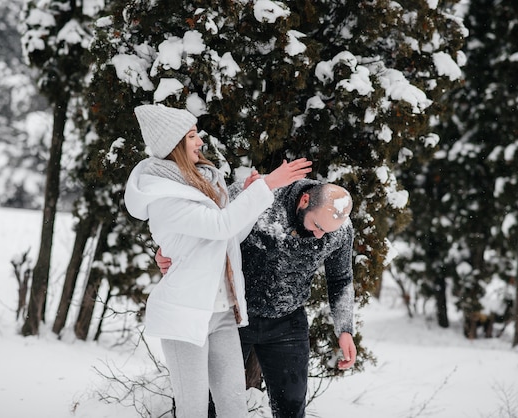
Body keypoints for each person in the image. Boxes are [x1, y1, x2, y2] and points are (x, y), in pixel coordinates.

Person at [123, 103, 312, 418]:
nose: (200, 143)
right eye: (192, 136)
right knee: (194, 408)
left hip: (222, 312)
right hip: (186, 316)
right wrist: (267, 186)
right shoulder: (164, 197)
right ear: (174, 145)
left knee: (233, 405)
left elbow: (230, 237)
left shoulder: (206, 183)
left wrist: (247, 198)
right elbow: (219, 226)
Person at [157, 177, 357, 418]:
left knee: (291, 409)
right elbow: (204, 224)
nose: (319, 235)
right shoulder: (261, 196)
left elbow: (341, 279)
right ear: (305, 200)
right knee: (208, 402)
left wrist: (344, 329)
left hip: (288, 320)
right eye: (317, 225)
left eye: (325, 231)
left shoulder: (339, 230)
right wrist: (166, 251)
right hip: (232, 316)